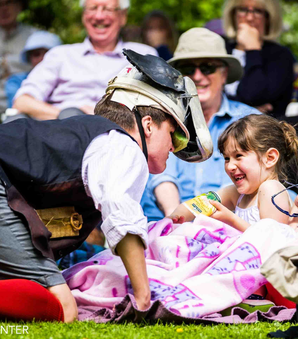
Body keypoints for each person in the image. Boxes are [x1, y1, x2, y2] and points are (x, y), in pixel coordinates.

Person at [0, 50, 212, 322]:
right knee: (62, 308)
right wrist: (144, 299)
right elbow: (120, 211)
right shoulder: (124, 146)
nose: (174, 147)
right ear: (148, 125)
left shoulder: (97, 138)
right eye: (174, 135)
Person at [141, 27, 260, 222]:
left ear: (224, 74)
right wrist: (176, 218)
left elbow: (262, 184)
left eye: (207, 67)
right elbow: (161, 175)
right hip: (168, 220)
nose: (197, 76)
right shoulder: (162, 118)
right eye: (188, 70)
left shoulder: (250, 120)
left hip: (229, 225)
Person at [12, 0, 157, 120]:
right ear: (84, 14)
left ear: (123, 16)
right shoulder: (60, 55)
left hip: (119, 135)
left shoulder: (143, 55)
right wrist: (67, 116)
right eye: (93, 8)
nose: (99, 16)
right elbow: (23, 101)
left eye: (107, 9)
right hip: (59, 131)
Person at [170, 114, 298, 232]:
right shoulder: (236, 194)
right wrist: (175, 217)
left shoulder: (271, 189)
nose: (230, 166)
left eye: (238, 156)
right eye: (227, 158)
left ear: (270, 158)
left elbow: (271, 243)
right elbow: (197, 205)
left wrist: (231, 220)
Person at [222, 0, 295, 117]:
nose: (250, 17)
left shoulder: (281, 56)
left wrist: (252, 49)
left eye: (258, 11)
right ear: (233, 14)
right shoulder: (221, 47)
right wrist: (247, 109)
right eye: (243, 9)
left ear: (269, 17)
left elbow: (253, 95)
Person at [0, 0, 36, 114]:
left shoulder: (35, 38)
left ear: (19, 6)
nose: (3, 8)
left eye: (8, 2)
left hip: (25, 110)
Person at [5, 30, 62, 108]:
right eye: (36, 54)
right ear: (29, 58)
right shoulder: (16, 81)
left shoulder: (67, 80)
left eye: (49, 54)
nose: (43, 58)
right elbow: (16, 109)